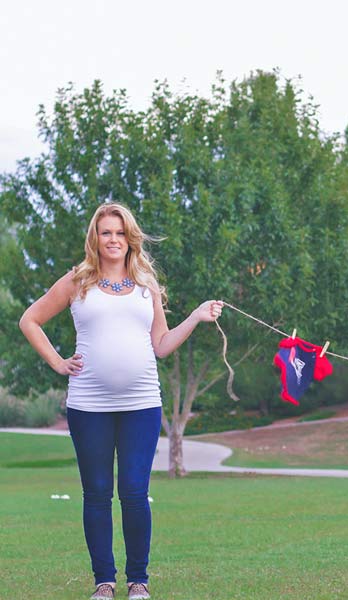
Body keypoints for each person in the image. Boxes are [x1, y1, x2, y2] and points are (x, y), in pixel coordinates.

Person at [19, 203, 224, 600]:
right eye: (105, 232)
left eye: (119, 232)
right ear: (95, 238)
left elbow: (161, 345)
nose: (112, 240)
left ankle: (138, 582)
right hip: (88, 405)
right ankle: (104, 582)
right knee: (96, 492)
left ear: (130, 238)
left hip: (142, 403)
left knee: (133, 490)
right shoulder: (77, 281)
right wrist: (58, 362)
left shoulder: (146, 284)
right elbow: (30, 319)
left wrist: (197, 316)